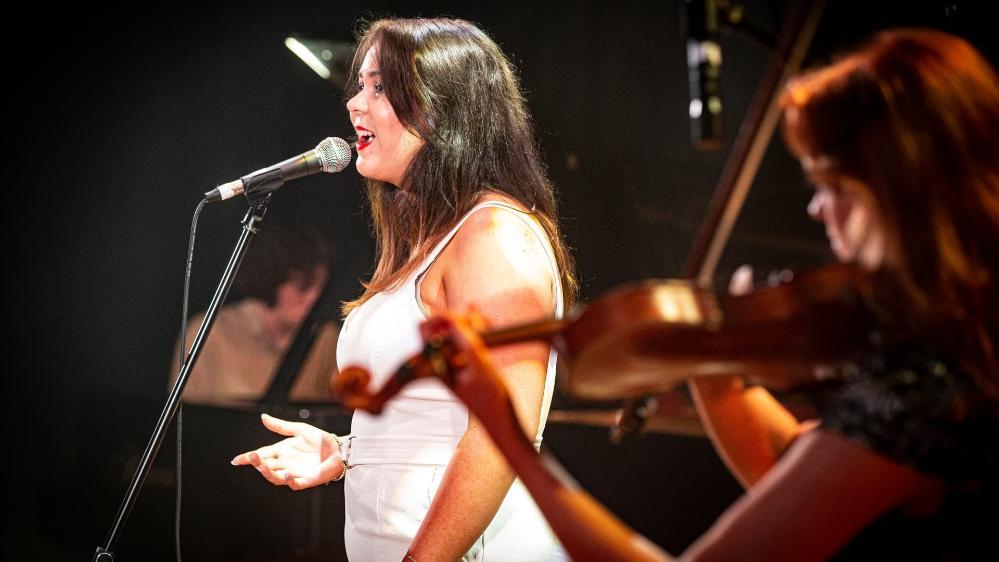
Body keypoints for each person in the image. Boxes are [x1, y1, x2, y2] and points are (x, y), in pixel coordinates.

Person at [418, 28, 999, 560]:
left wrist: (512, 439)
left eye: (834, 184)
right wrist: (714, 356)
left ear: (905, 190)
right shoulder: (957, 351)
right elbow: (787, 464)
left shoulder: (926, 391)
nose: (817, 209)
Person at [231, 17, 578, 561]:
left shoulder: (493, 236)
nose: (354, 104)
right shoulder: (428, 241)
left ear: (444, 110)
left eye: (380, 87)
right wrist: (350, 451)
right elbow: (431, 421)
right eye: (359, 85)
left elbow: (499, 437)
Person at [170, 221, 338, 406]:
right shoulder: (209, 333)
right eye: (303, 286)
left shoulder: (327, 339)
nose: (315, 297)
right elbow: (183, 421)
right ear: (272, 279)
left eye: (321, 287)